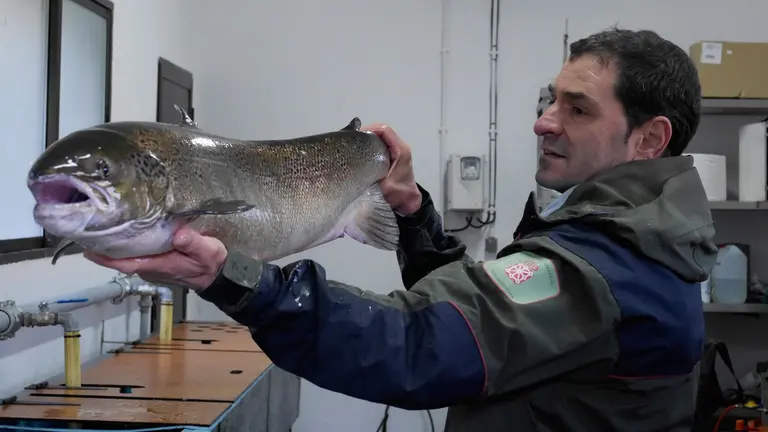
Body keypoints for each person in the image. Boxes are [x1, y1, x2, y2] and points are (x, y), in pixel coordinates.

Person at [84, 27, 718, 431]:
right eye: (550, 99)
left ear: (648, 139)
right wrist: (412, 210)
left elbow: (415, 344)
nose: (544, 122)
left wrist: (234, 278)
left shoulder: (607, 266)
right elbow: (479, 319)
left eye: (576, 109)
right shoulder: (617, 232)